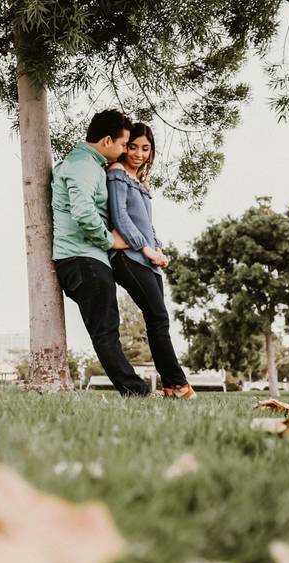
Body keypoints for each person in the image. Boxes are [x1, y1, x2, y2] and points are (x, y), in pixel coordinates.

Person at [51, 109, 150, 397]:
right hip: (83, 259)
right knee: (105, 332)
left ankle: (136, 390)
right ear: (107, 140)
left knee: (107, 330)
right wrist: (110, 240)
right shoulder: (83, 165)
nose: (124, 151)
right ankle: (136, 392)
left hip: (87, 259)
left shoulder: (89, 164)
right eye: (123, 144)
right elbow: (83, 212)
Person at [106, 122, 195, 399]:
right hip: (128, 257)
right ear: (125, 147)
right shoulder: (117, 173)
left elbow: (147, 223)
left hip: (147, 258)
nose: (139, 153)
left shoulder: (141, 182)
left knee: (159, 321)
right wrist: (145, 249)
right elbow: (120, 217)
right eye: (133, 146)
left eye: (145, 148)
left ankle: (170, 386)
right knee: (158, 317)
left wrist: (158, 248)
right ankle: (179, 384)